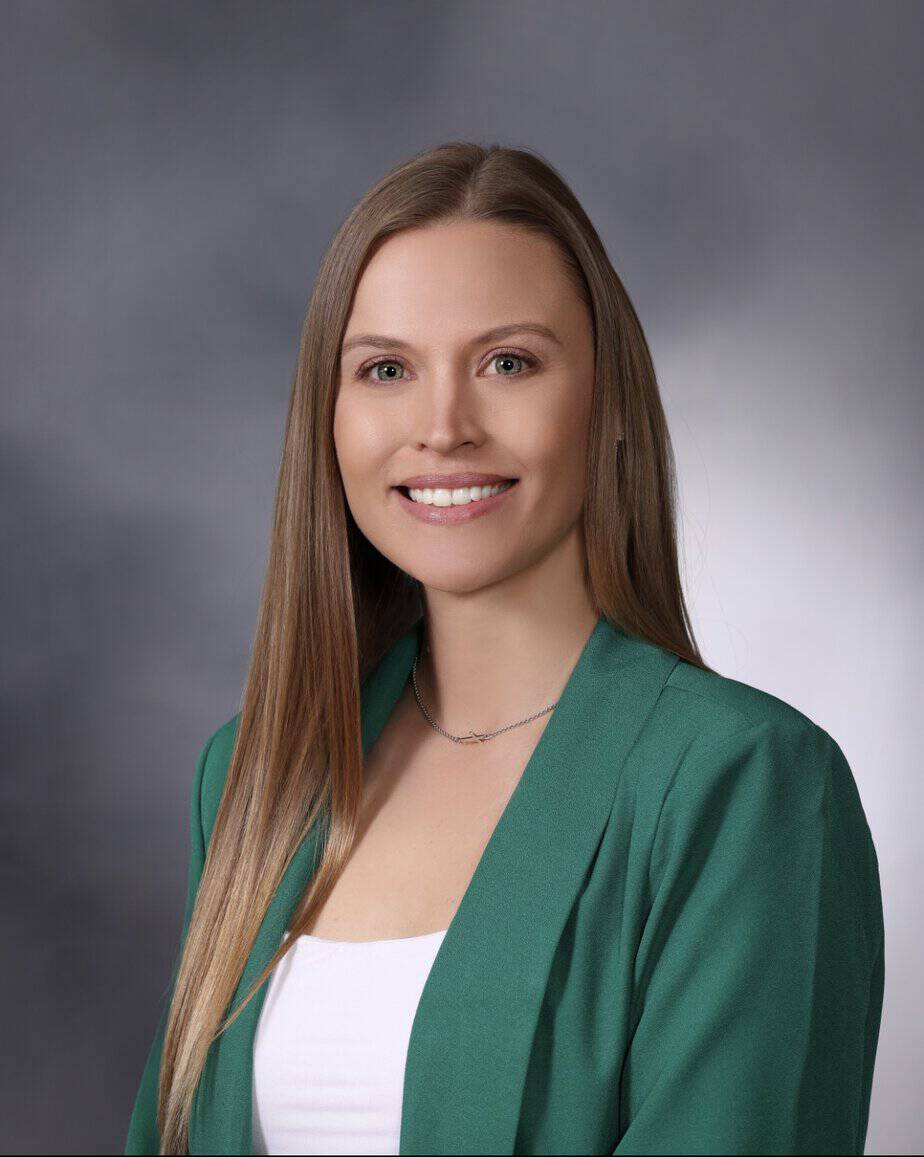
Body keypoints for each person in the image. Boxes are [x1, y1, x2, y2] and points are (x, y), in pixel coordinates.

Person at [124, 141, 884, 1156]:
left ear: (608, 406)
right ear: (329, 417)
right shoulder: (256, 776)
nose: (443, 426)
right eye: (386, 368)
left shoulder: (745, 784)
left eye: (508, 362)